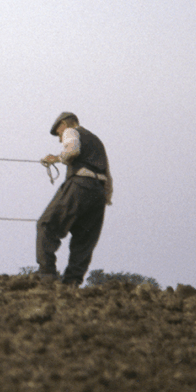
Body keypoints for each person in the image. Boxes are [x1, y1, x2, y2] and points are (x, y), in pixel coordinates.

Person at [36, 112, 113, 286]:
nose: (59, 138)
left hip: (80, 184)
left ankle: (47, 276)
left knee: (46, 224)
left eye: (58, 133)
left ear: (64, 124)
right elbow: (107, 173)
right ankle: (72, 282)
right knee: (84, 240)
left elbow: (72, 150)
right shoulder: (96, 140)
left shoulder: (71, 131)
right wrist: (105, 197)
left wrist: (56, 158)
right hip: (98, 192)